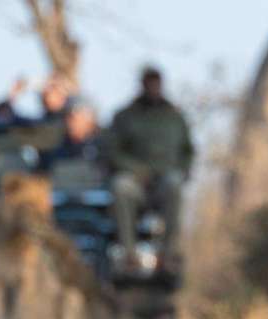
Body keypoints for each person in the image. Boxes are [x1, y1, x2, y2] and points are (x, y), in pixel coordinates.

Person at [108, 66, 195, 266]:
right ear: (142, 85)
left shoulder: (174, 117)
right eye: (149, 83)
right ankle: (128, 253)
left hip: (164, 182)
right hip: (136, 182)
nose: (153, 88)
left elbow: (188, 152)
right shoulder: (126, 116)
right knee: (120, 186)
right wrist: (135, 170)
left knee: (174, 185)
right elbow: (112, 151)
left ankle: (167, 253)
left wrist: (182, 171)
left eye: (156, 83)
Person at [0, 73, 71, 136]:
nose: (47, 95)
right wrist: (12, 96)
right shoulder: (43, 121)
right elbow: (4, 120)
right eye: (45, 92)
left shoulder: (68, 120)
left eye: (53, 90)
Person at [39, 97, 105, 173]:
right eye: (68, 116)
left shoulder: (104, 145)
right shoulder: (54, 146)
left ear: (91, 120)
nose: (71, 122)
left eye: (76, 117)